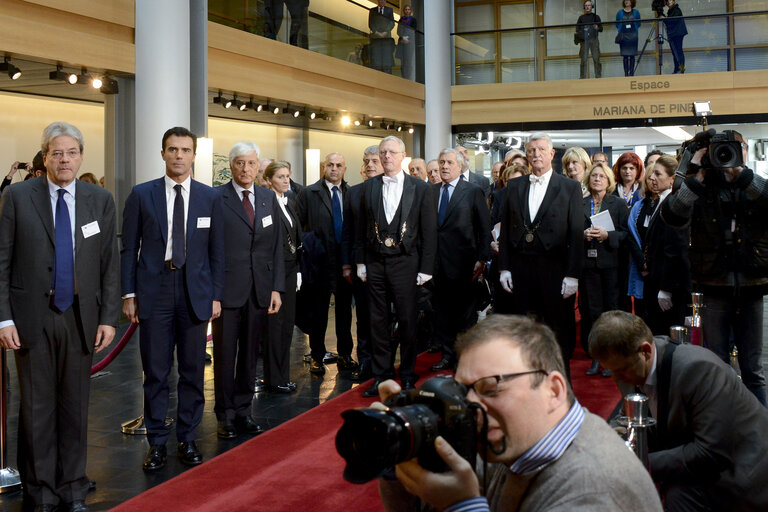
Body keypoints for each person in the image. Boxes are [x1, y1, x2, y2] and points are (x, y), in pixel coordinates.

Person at [378, 315, 663, 512]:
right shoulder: (517, 439)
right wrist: (403, 447)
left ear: (553, 390)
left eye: (490, 387)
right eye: (462, 391)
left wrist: (463, 505)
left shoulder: (596, 490)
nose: (471, 407)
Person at [0, 122, 119, 512]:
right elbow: (1, 263)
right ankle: (40, 493)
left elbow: (109, 265)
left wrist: (108, 317)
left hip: (81, 318)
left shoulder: (99, 200)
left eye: (71, 153)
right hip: (32, 317)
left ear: (81, 155)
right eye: (56, 153)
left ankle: (72, 489)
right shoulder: (18, 197)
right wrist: (4, 319)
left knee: (74, 408)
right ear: (45, 157)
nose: (64, 160)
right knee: (36, 410)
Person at [590, 311, 768, 511]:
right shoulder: (632, 367)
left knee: (678, 496)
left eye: (620, 371)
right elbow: (632, 420)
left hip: (743, 474)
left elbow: (711, 454)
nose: (616, 379)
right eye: (611, 371)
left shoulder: (699, 370)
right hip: (706, 461)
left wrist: (638, 463)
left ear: (646, 351)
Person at [121, 127, 225, 471]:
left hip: (195, 292)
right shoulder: (141, 195)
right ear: (162, 153)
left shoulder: (210, 198)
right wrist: (130, 293)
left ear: (194, 155)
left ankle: (188, 437)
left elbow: (217, 253)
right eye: (172, 149)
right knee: (156, 372)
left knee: (194, 371)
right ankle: (156, 442)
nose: (178, 155)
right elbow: (128, 249)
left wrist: (216, 295)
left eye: (184, 150)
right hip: (155, 290)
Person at [661, 131, 768, 405]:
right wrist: (694, 172)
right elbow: (672, 215)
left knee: (753, 369)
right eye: (720, 151)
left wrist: (740, 175)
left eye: (733, 148)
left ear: (745, 150)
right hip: (713, 284)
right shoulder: (701, 184)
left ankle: (760, 434)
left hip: (751, 284)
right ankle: (724, 427)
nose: (727, 155)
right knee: (717, 364)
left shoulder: (753, 184)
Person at [354, 136, 436, 397]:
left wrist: (426, 268)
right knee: (377, 323)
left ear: (403, 156)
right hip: (375, 262)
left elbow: (429, 232)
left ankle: (409, 374)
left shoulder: (421, 188)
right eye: (383, 153)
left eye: (392, 152)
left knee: (407, 320)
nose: (386, 157)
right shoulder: (369, 188)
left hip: (407, 263)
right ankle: (382, 376)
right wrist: (360, 263)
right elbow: (358, 229)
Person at [498, 133, 583, 377]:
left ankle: (560, 380)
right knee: (523, 329)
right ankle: (525, 379)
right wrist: (504, 267)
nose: (536, 154)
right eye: (531, 150)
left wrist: (573, 275)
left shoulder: (570, 187)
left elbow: (576, 234)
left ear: (552, 154)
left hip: (555, 269)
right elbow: (505, 229)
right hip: (520, 267)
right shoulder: (514, 185)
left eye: (541, 149)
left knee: (559, 329)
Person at [212, 141, 282, 437]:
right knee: (225, 355)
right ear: (231, 166)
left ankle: (244, 410)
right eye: (240, 163)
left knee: (251, 355)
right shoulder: (216, 198)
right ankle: (226, 415)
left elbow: (277, 246)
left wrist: (276, 288)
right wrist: (213, 293)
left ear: (258, 166)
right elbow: (209, 248)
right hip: (227, 291)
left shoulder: (267, 197)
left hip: (259, 290)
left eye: (251, 163)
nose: (246, 169)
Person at [429, 148, 491, 371]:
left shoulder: (472, 191)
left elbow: (484, 228)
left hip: (465, 264)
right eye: (441, 162)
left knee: (464, 316)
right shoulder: (432, 191)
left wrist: (482, 259)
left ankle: (464, 358)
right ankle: (447, 355)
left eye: (449, 163)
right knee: (442, 314)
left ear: (460, 166)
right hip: (437, 264)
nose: (444, 166)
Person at [296, 153, 358, 374]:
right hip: (319, 262)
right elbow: (298, 225)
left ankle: (345, 355)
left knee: (344, 312)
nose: (334, 169)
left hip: (345, 263)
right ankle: (316, 356)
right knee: (318, 312)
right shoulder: (309, 193)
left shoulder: (352, 193)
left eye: (338, 165)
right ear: (324, 167)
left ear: (344, 168)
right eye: (330, 165)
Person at [579, 163, 629, 376]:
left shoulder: (617, 204)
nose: (597, 179)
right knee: (591, 312)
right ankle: (596, 357)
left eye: (601, 176)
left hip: (611, 265)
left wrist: (609, 236)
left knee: (611, 310)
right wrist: (582, 234)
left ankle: (612, 356)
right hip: (587, 265)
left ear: (608, 181)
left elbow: (626, 234)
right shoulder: (580, 203)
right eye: (594, 176)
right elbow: (569, 231)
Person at [633, 154, 690, 335]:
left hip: (667, 285)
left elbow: (674, 249)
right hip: (656, 280)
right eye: (652, 174)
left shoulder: (673, 204)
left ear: (672, 179)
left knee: (667, 332)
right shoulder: (662, 201)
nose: (651, 178)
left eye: (658, 174)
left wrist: (666, 288)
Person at [341, 146, 384, 382]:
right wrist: (347, 264)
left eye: (374, 160)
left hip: (388, 266)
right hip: (361, 265)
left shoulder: (393, 190)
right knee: (364, 317)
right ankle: (365, 362)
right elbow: (347, 232)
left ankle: (382, 363)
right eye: (366, 160)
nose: (369, 165)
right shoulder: (354, 193)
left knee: (383, 318)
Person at [264, 161, 303, 393]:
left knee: (287, 325)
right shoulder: (268, 204)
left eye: (287, 176)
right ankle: (274, 378)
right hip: (274, 272)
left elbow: (295, 239)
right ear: (269, 180)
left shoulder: (288, 203)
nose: (286, 180)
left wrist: (297, 269)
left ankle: (282, 375)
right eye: (280, 177)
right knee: (275, 327)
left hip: (290, 269)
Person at [576, 0, 602, 79]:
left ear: (592, 7)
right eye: (586, 5)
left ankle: (598, 77)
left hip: (594, 40)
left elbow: (601, 28)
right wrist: (582, 31)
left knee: (596, 59)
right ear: (584, 7)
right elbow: (577, 29)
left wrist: (597, 27)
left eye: (589, 5)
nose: (587, 7)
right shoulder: (581, 18)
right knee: (583, 60)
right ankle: (582, 78)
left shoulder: (596, 17)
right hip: (584, 41)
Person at [369, 0, 395, 73]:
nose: (382, 1)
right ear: (378, 1)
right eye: (381, 0)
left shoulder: (390, 10)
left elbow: (392, 23)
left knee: (386, 57)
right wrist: (376, 32)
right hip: (376, 38)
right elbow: (370, 23)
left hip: (386, 38)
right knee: (376, 58)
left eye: (384, 0)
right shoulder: (372, 10)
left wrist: (385, 32)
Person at [616, 0, 641, 76]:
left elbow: (639, 23)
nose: (626, 1)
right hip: (623, 35)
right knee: (625, 56)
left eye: (628, 0)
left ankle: (632, 74)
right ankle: (626, 74)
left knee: (632, 55)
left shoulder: (636, 12)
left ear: (632, 2)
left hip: (633, 35)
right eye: (625, 0)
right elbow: (617, 23)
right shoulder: (620, 12)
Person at [663, 0, 687, 74]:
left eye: (670, 0)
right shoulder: (671, 11)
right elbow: (669, 22)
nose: (669, 2)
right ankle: (677, 69)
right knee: (675, 52)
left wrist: (663, 18)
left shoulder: (676, 9)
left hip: (677, 33)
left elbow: (672, 21)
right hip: (674, 34)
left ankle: (681, 69)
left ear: (673, 1)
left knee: (678, 51)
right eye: (667, 1)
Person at [396, 4, 417, 81]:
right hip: (402, 42)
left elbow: (414, 30)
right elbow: (398, 31)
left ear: (410, 11)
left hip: (409, 42)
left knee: (408, 61)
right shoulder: (401, 20)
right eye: (406, 9)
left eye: (408, 9)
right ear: (404, 11)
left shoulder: (413, 20)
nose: (407, 11)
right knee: (403, 61)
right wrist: (403, 37)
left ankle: (408, 77)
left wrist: (407, 38)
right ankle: (403, 76)